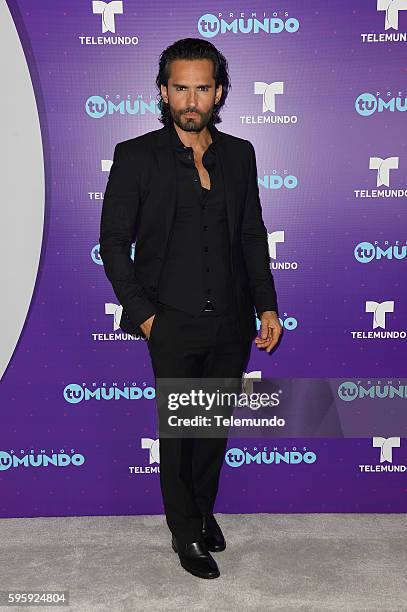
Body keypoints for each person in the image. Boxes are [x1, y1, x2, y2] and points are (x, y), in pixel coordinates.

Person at [99, 37, 282, 579]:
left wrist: (267, 308)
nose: (191, 99)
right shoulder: (136, 156)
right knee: (180, 433)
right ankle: (184, 533)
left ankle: (202, 511)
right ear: (163, 91)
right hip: (170, 320)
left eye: (202, 87)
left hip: (230, 319)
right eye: (180, 87)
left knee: (211, 429)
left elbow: (251, 234)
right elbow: (113, 243)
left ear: (218, 92)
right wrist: (146, 315)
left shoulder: (241, 154)